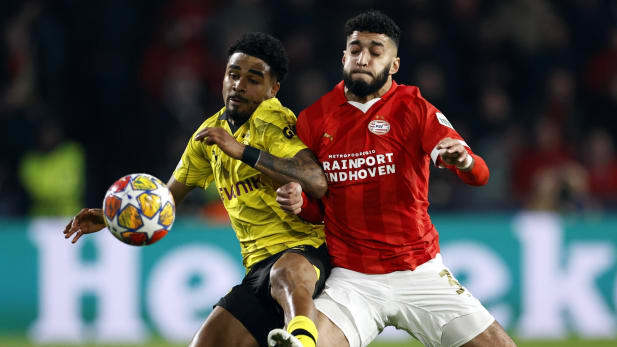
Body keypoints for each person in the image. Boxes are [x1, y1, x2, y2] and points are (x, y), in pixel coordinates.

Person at [63, 32, 330, 347]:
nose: (239, 84)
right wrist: (111, 217)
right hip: (258, 268)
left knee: (286, 271)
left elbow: (316, 180)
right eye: (233, 74)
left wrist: (243, 151)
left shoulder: (271, 122)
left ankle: (303, 340)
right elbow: (166, 201)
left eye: (253, 79)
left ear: (273, 90)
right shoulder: (208, 136)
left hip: (307, 253)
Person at [274, 11, 517, 347]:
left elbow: (480, 175)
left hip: (420, 272)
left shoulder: (413, 108)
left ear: (394, 65)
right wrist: (301, 203)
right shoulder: (313, 120)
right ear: (343, 56)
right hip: (353, 280)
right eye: (356, 49)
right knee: (309, 344)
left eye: (376, 52)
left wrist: (463, 160)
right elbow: (319, 207)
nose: (363, 58)